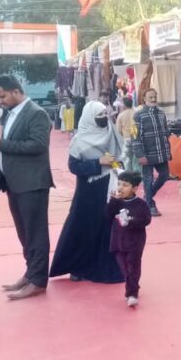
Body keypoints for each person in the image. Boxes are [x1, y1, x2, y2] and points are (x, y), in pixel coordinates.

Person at [0, 75, 55, 301]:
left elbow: (38, 145)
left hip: (32, 183)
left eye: (2, 96)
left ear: (16, 91)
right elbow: (16, 143)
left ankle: (38, 280)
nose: (0, 101)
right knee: (24, 232)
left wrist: (0, 144)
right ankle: (30, 274)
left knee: (35, 233)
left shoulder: (36, 113)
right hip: (15, 182)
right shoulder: (11, 113)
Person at [49, 101, 126, 284]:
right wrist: (98, 162)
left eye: (105, 114)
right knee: (82, 226)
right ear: (90, 118)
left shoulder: (112, 132)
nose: (104, 118)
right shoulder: (80, 140)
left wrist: (114, 164)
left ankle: (106, 268)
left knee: (108, 227)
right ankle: (77, 267)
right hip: (88, 192)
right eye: (99, 116)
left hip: (109, 187)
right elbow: (74, 166)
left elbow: (120, 160)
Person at [106, 171, 152, 308]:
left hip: (134, 243)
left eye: (125, 185)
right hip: (118, 242)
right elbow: (107, 216)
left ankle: (132, 293)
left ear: (134, 188)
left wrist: (130, 222)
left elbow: (146, 220)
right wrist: (113, 201)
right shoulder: (116, 202)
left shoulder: (141, 204)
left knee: (133, 267)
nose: (120, 187)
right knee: (124, 268)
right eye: (119, 184)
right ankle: (133, 283)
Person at [133, 88, 172, 217]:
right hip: (147, 154)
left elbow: (165, 131)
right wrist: (140, 154)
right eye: (150, 97)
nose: (154, 99)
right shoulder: (138, 115)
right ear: (144, 99)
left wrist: (171, 131)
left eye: (155, 96)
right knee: (148, 179)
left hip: (161, 152)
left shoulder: (161, 114)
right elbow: (135, 136)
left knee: (165, 175)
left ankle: (148, 196)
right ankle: (150, 205)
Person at [115, 96, 141, 174]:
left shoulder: (121, 115)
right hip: (137, 138)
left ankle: (129, 175)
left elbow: (118, 130)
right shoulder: (137, 113)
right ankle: (138, 175)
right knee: (137, 159)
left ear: (124, 105)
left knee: (127, 160)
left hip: (126, 139)